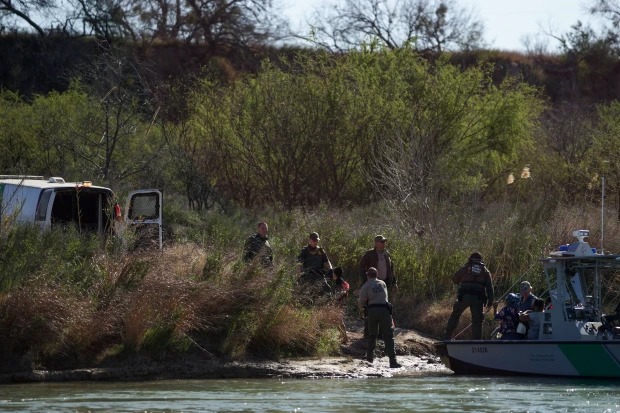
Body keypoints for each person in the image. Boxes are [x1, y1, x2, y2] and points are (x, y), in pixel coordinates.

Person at [442, 252, 494, 340]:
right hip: (478, 299)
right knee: (477, 322)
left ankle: (447, 337)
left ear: (470, 258)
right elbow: (490, 287)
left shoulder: (465, 268)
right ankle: (476, 343)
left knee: (455, 315)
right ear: (480, 260)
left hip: (464, 297)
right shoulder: (485, 270)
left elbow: (455, 279)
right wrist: (490, 301)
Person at [358, 267, 401, 368]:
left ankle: (369, 359)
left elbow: (361, 301)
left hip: (372, 311)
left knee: (372, 335)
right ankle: (393, 362)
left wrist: (361, 310)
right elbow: (385, 297)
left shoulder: (366, 285)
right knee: (388, 336)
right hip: (385, 310)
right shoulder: (382, 283)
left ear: (368, 275)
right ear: (376, 275)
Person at [359, 235, 398, 338]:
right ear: (376, 243)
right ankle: (368, 332)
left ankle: (381, 333)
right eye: (382, 242)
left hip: (384, 284)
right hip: (372, 283)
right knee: (369, 307)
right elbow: (361, 267)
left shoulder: (387, 254)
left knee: (383, 307)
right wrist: (365, 281)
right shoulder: (369, 254)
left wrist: (394, 282)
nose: (384, 243)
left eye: (384, 242)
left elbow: (391, 270)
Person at [332, 267, 350, 343]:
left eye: (333, 273)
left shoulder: (340, 283)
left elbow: (341, 294)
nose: (332, 275)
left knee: (339, 321)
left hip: (339, 304)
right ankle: (342, 336)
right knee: (337, 321)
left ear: (335, 274)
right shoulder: (342, 282)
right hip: (341, 304)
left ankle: (345, 338)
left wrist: (334, 301)